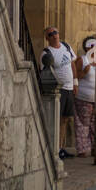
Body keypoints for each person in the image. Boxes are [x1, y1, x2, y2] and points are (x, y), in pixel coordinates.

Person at [42, 26, 78, 160]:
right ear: (47, 38)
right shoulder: (46, 53)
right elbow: (46, 72)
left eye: (55, 32)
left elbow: (72, 64)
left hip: (69, 88)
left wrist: (75, 83)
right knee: (57, 118)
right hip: (60, 89)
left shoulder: (66, 46)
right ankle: (54, 148)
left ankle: (61, 147)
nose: (54, 35)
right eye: (51, 34)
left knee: (65, 119)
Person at [73, 35, 96, 157]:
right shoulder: (82, 60)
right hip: (83, 97)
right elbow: (74, 77)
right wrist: (84, 72)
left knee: (95, 124)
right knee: (83, 124)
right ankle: (82, 149)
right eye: (92, 46)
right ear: (87, 47)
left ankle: (95, 148)